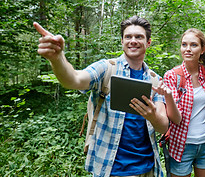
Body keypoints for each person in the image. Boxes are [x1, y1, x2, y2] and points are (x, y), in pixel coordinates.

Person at [34, 16, 169, 177]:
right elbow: (74, 80)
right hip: (110, 168)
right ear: (122, 41)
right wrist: (57, 59)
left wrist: (152, 116)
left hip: (148, 169)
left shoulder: (155, 80)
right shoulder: (105, 69)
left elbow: (163, 127)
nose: (133, 40)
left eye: (139, 37)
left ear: (148, 42)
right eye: (128, 36)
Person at [162, 28, 205, 177]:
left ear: (202, 49)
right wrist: (169, 97)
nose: (188, 49)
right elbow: (174, 118)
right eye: (184, 45)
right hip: (181, 144)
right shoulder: (172, 76)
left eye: (193, 45)